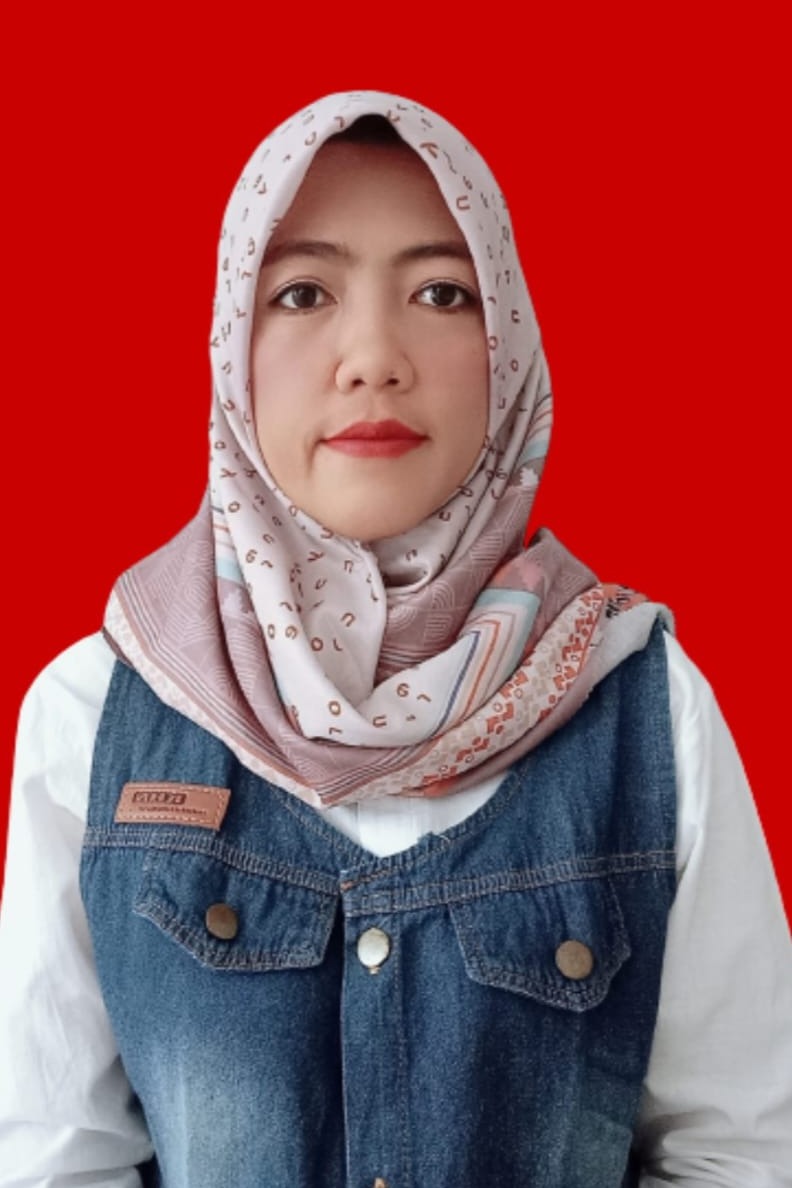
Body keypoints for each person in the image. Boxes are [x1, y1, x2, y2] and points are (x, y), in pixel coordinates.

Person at [0, 90, 790, 1188]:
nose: (373, 356)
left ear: (507, 345)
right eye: (302, 292)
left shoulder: (647, 707)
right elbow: (51, 1160)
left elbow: (741, 1154)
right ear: (232, 347)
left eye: (441, 292)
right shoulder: (94, 716)